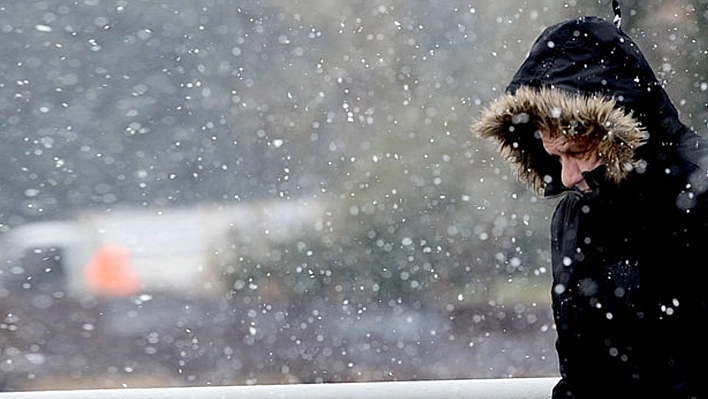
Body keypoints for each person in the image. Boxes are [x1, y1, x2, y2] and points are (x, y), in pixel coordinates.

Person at [474, 6, 708, 399]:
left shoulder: (699, 197)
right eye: (555, 156)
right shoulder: (576, 216)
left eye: (577, 151)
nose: (566, 177)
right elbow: (583, 374)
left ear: (620, 131)